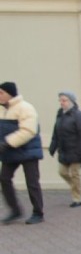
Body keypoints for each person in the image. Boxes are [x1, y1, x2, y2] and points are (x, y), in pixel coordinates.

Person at [0, 81, 45, 225]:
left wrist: (7, 142)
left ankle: (38, 213)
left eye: (1, 93)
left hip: (28, 151)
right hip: (10, 152)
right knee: (4, 179)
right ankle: (15, 211)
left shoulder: (26, 108)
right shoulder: (1, 109)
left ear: (10, 94)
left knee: (32, 182)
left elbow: (28, 131)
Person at [49, 91, 81, 208]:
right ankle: (79, 187)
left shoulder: (78, 115)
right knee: (62, 172)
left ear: (71, 101)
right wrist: (53, 147)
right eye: (60, 100)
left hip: (76, 150)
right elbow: (56, 132)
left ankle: (77, 198)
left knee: (75, 174)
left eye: (64, 100)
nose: (62, 103)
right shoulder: (60, 115)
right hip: (64, 150)